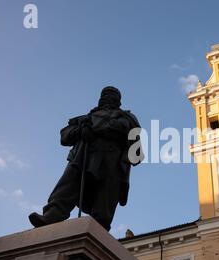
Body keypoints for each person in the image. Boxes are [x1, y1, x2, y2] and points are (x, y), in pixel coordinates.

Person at [28, 86, 143, 231]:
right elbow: (64, 136)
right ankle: (51, 215)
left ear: (118, 101)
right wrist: (80, 130)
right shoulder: (85, 119)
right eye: (104, 95)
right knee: (66, 188)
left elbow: (137, 153)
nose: (106, 98)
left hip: (112, 162)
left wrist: (106, 130)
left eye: (111, 95)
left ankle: (98, 230)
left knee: (104, 203)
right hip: (83, 157)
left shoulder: (128, 119)